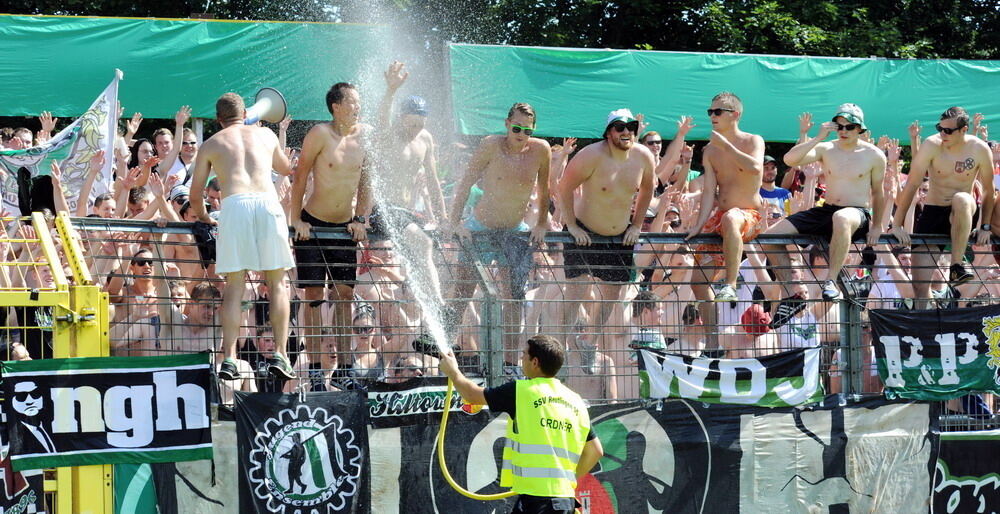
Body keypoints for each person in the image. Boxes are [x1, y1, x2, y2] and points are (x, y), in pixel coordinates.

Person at [189, 92, 296, 380]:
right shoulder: (265, 134)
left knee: (235, 286)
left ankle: (230, 359)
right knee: (277, 284)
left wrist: (204, 216)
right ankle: (282, 355)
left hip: (234, 205)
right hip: (267, 202)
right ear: (246, 111)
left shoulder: (211, 143)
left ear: (217, 119)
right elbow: (286, 168)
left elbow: (195, 192)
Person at [438, 335, 604, 514]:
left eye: (524, 354)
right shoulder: (576, 401)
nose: (521, 358)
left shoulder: (522, 391)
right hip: (564, 499)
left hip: (537, 501)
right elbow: (596, 451)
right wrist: (566, 480)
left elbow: (471, 395)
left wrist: (453, 371)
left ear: (535, 362)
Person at [448, 102, 551, 358]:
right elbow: (466, 182)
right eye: (517, 128)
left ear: (534, 130)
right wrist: (454, 222)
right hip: (481, 226)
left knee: (514, 298)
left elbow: (546, 189)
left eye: (527, 130)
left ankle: (509, 361)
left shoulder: (541, 150)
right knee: (464, 288)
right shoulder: (490, 145)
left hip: (515, 230)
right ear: (507, 124)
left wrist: (540, 224)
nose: (521, 134)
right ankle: (444, 342)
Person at [557, 108, 654, 355]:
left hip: (620, 236)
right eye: (620, 127)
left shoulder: (643, 156)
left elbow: (647, 190)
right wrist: (573, 226)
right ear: (609, 132)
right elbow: (565, 187)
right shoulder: (590, 155)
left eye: (631, 127)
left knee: (612, 294)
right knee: (575, 292)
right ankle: (558, 348)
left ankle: (590, 342)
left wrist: (636, 225)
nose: (626, 132)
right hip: (584, 232)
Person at [290, 81, 372, 372]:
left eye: (359, 102)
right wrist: (295, 219)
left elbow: (367, 182)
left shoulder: (365, 137)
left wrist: (360, 218)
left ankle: (347, 367)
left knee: (345, 294)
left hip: (344, 228)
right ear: (336, 107)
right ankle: (313, 366)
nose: (358, 107)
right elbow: (299, 176)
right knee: (312, 295)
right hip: (312, 225)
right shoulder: (319, 134)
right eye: (352, 102)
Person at [765, 104, 886, 300]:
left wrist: (878, 225)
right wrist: (818, 136)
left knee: (842, 217)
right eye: (840, 126)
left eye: (850, 126)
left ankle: (831, 281)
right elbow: (790, 160)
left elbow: (878, 193)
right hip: (826, 210)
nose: (844, 131)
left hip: (856, 213)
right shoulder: (826, 148)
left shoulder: (874, 155)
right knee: (769, 238)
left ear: (860, 129)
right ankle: (791, 294)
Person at [684, 92, 764, 356]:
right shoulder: (710, 150)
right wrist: (698, 226)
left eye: (718, 112)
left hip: (750, 215)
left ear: (735, 115)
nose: (712, 116)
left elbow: (755, 169)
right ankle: (713, 341)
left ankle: (729, 284)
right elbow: (708, 192)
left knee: (732, 218)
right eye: (710, 112)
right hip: (723, 218)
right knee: (697, 281)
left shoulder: (753, 140)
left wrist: (727, 145)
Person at [893, 106, 995, 306]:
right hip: (933, 212)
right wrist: (897, 224)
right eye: (940, 128)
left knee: (962, 199)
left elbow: (989, 191)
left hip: (963, 211)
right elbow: (913, 183)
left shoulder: (979, 149)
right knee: (920, 287)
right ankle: (925, 330)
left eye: (948, 130)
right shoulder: (931, 145)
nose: (942, 133)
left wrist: (985, 226)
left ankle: (956, 264)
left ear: (964, 130)